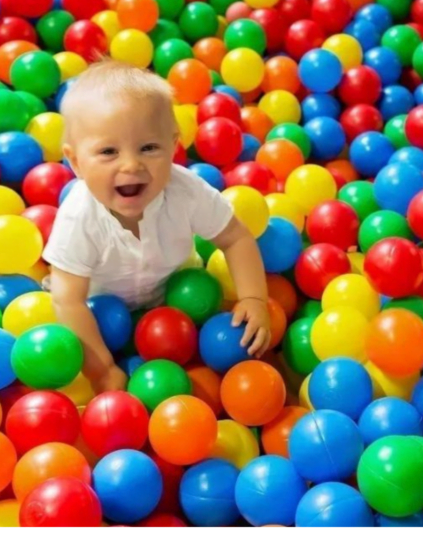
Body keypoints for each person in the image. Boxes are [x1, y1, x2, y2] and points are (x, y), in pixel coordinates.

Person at [43, 59, 270, 392]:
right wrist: (103, 369)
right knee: (63, 298)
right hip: (100, 307)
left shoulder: (185, 191)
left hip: (180, 297)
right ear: (76, 161)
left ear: (174, 146)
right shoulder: (80, 215)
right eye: (108, 151)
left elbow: (235, 238)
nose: (131, 164)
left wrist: (254, 299)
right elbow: (68, 301)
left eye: (149, 148)